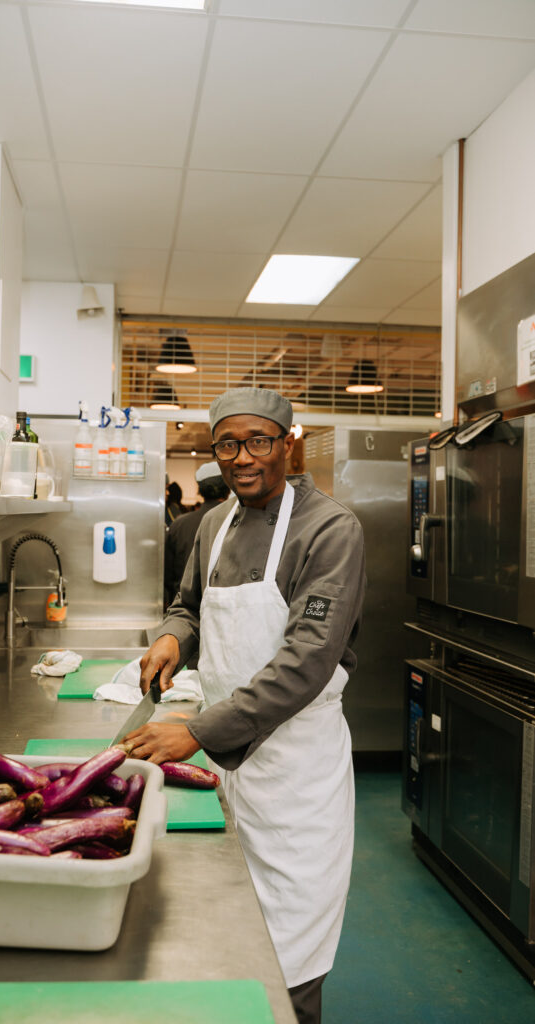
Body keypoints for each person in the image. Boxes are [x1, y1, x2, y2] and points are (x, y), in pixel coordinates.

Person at [124, 386, 366, 1024]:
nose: (242, 458)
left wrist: (197, 731)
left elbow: (306, 663)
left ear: (289, 444)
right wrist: (172, 636)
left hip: (296, 775)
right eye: (228, 444)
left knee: (291, 952)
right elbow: (188, 603)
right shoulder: (213, 523)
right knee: (227, 930)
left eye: (259, 441)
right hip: (227, 765)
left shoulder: (330, 530)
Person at [164, 461, 230, 608]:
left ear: (200, 490)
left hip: (184, 611)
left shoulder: (179, 524)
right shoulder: (236, 521)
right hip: (225, 609)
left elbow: (167, 575)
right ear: (228, 489)